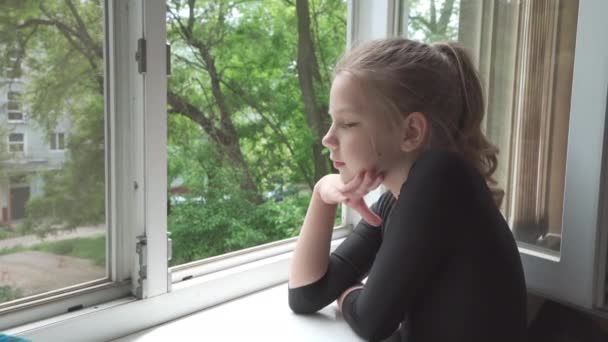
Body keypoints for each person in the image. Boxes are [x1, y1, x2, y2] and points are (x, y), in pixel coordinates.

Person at [287, 38, 527, 342]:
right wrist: (323, 195)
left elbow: (370, 321)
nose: (328, 138)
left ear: (411, 132)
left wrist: (348, 293)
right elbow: (306, 294)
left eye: (347, 123)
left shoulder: (441, 177)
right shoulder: (398, 198)